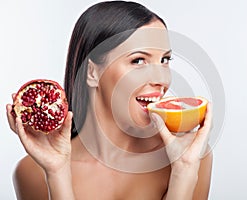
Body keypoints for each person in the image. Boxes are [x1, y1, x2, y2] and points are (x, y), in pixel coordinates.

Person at [6, 1, 213, 199]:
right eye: (138, 60)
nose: (161, 80)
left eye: (164, 60)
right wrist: (57, 173)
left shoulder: (190, 155)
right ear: (92, 73)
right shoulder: (33, 172)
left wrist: (184, 170)